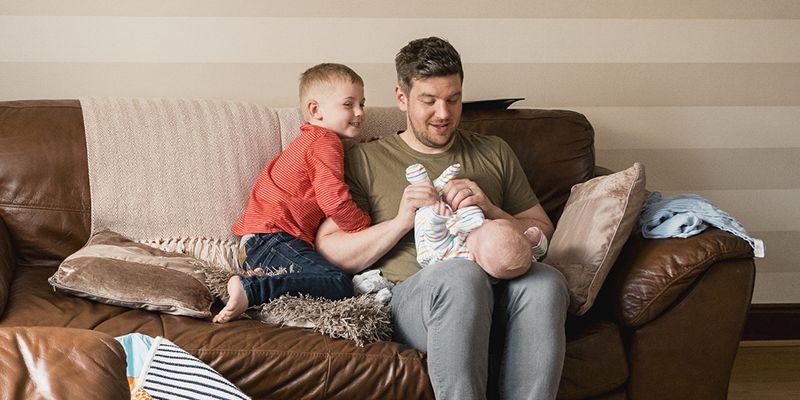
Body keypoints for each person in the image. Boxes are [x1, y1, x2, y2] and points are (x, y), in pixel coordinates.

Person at [316, 37, 569, 399]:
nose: (444, 114)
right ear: (402, 98)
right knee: (461, 275)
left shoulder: (494, 151)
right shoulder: (366, 159)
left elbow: (543, 230)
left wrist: (492, 211)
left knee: (546, 281)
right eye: (429, 100)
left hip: (501, 291)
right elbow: (330, 248)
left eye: (453, 99)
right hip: (419, 300)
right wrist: (401, 220)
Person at [213, 63, 371, 324]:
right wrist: (364, 227)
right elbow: (334, 200)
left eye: (362, 104)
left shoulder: (311, 140)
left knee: (327, 277)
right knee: (338, 282)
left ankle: (261, 279)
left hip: (258, 242)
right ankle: (252, 289)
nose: (359, 113)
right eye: (348, 104)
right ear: (315, 110)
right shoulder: (325, 142)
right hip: (272, 238)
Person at [406, 162, 541, 280]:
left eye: (484, 227)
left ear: (473, 256)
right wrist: (532, 243)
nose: (486, 221)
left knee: (428, 203)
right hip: (454, 221)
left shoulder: (457, 254)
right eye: (492, 221)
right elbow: (530, 255)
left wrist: (438, 219)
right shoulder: (506, 258)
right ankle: (441, 183)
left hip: (431, 239)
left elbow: (435, 238)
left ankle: (423, 183)